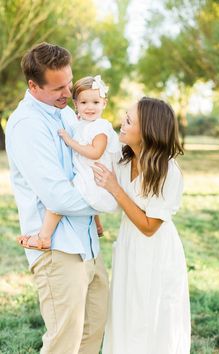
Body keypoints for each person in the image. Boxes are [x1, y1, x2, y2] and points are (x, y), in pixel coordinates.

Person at [5, 42, 109, 354]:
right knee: (63, 344)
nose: (68, 92)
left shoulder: (64, 114)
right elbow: (58, 196)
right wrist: (111, 200)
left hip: (88, 243)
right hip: (57, 251)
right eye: (58, 88)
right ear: (33, 85)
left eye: (69, 82)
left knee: (91, 336)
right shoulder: (27, 125)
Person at [93, 97, 191, 354]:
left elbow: (149, 227)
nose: (121, 124)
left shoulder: (167, 170)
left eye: (128, 120)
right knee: (127, 313)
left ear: (147, 130)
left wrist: (114, 188)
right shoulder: (124, 160)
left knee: (153, 316)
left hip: (156, 251)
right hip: (129, 245)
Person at [17, 75, 120, 250]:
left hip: (95, 177)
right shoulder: (81, 123)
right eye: (84, 102)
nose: (89, 107)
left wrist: (70, 141)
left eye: (95, 102)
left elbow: (96, 153)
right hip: (86, 173)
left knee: (57, 202)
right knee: (69, 189)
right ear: (76, 104)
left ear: (104, 103)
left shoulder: (100, 128)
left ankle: (44, 237)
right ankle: (97, 224)